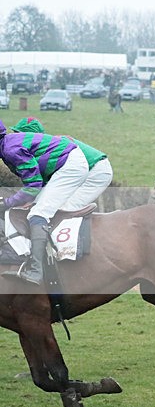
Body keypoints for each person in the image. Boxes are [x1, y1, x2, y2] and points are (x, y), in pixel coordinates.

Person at [0, 119, 114, 285]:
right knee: (39, 208)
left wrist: (8, 202)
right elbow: (37, 181)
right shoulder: (10, 147)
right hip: (75, 164)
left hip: (90, 170)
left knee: (41, 213)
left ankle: (39, 269)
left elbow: (34, 184)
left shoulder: (11, 149)